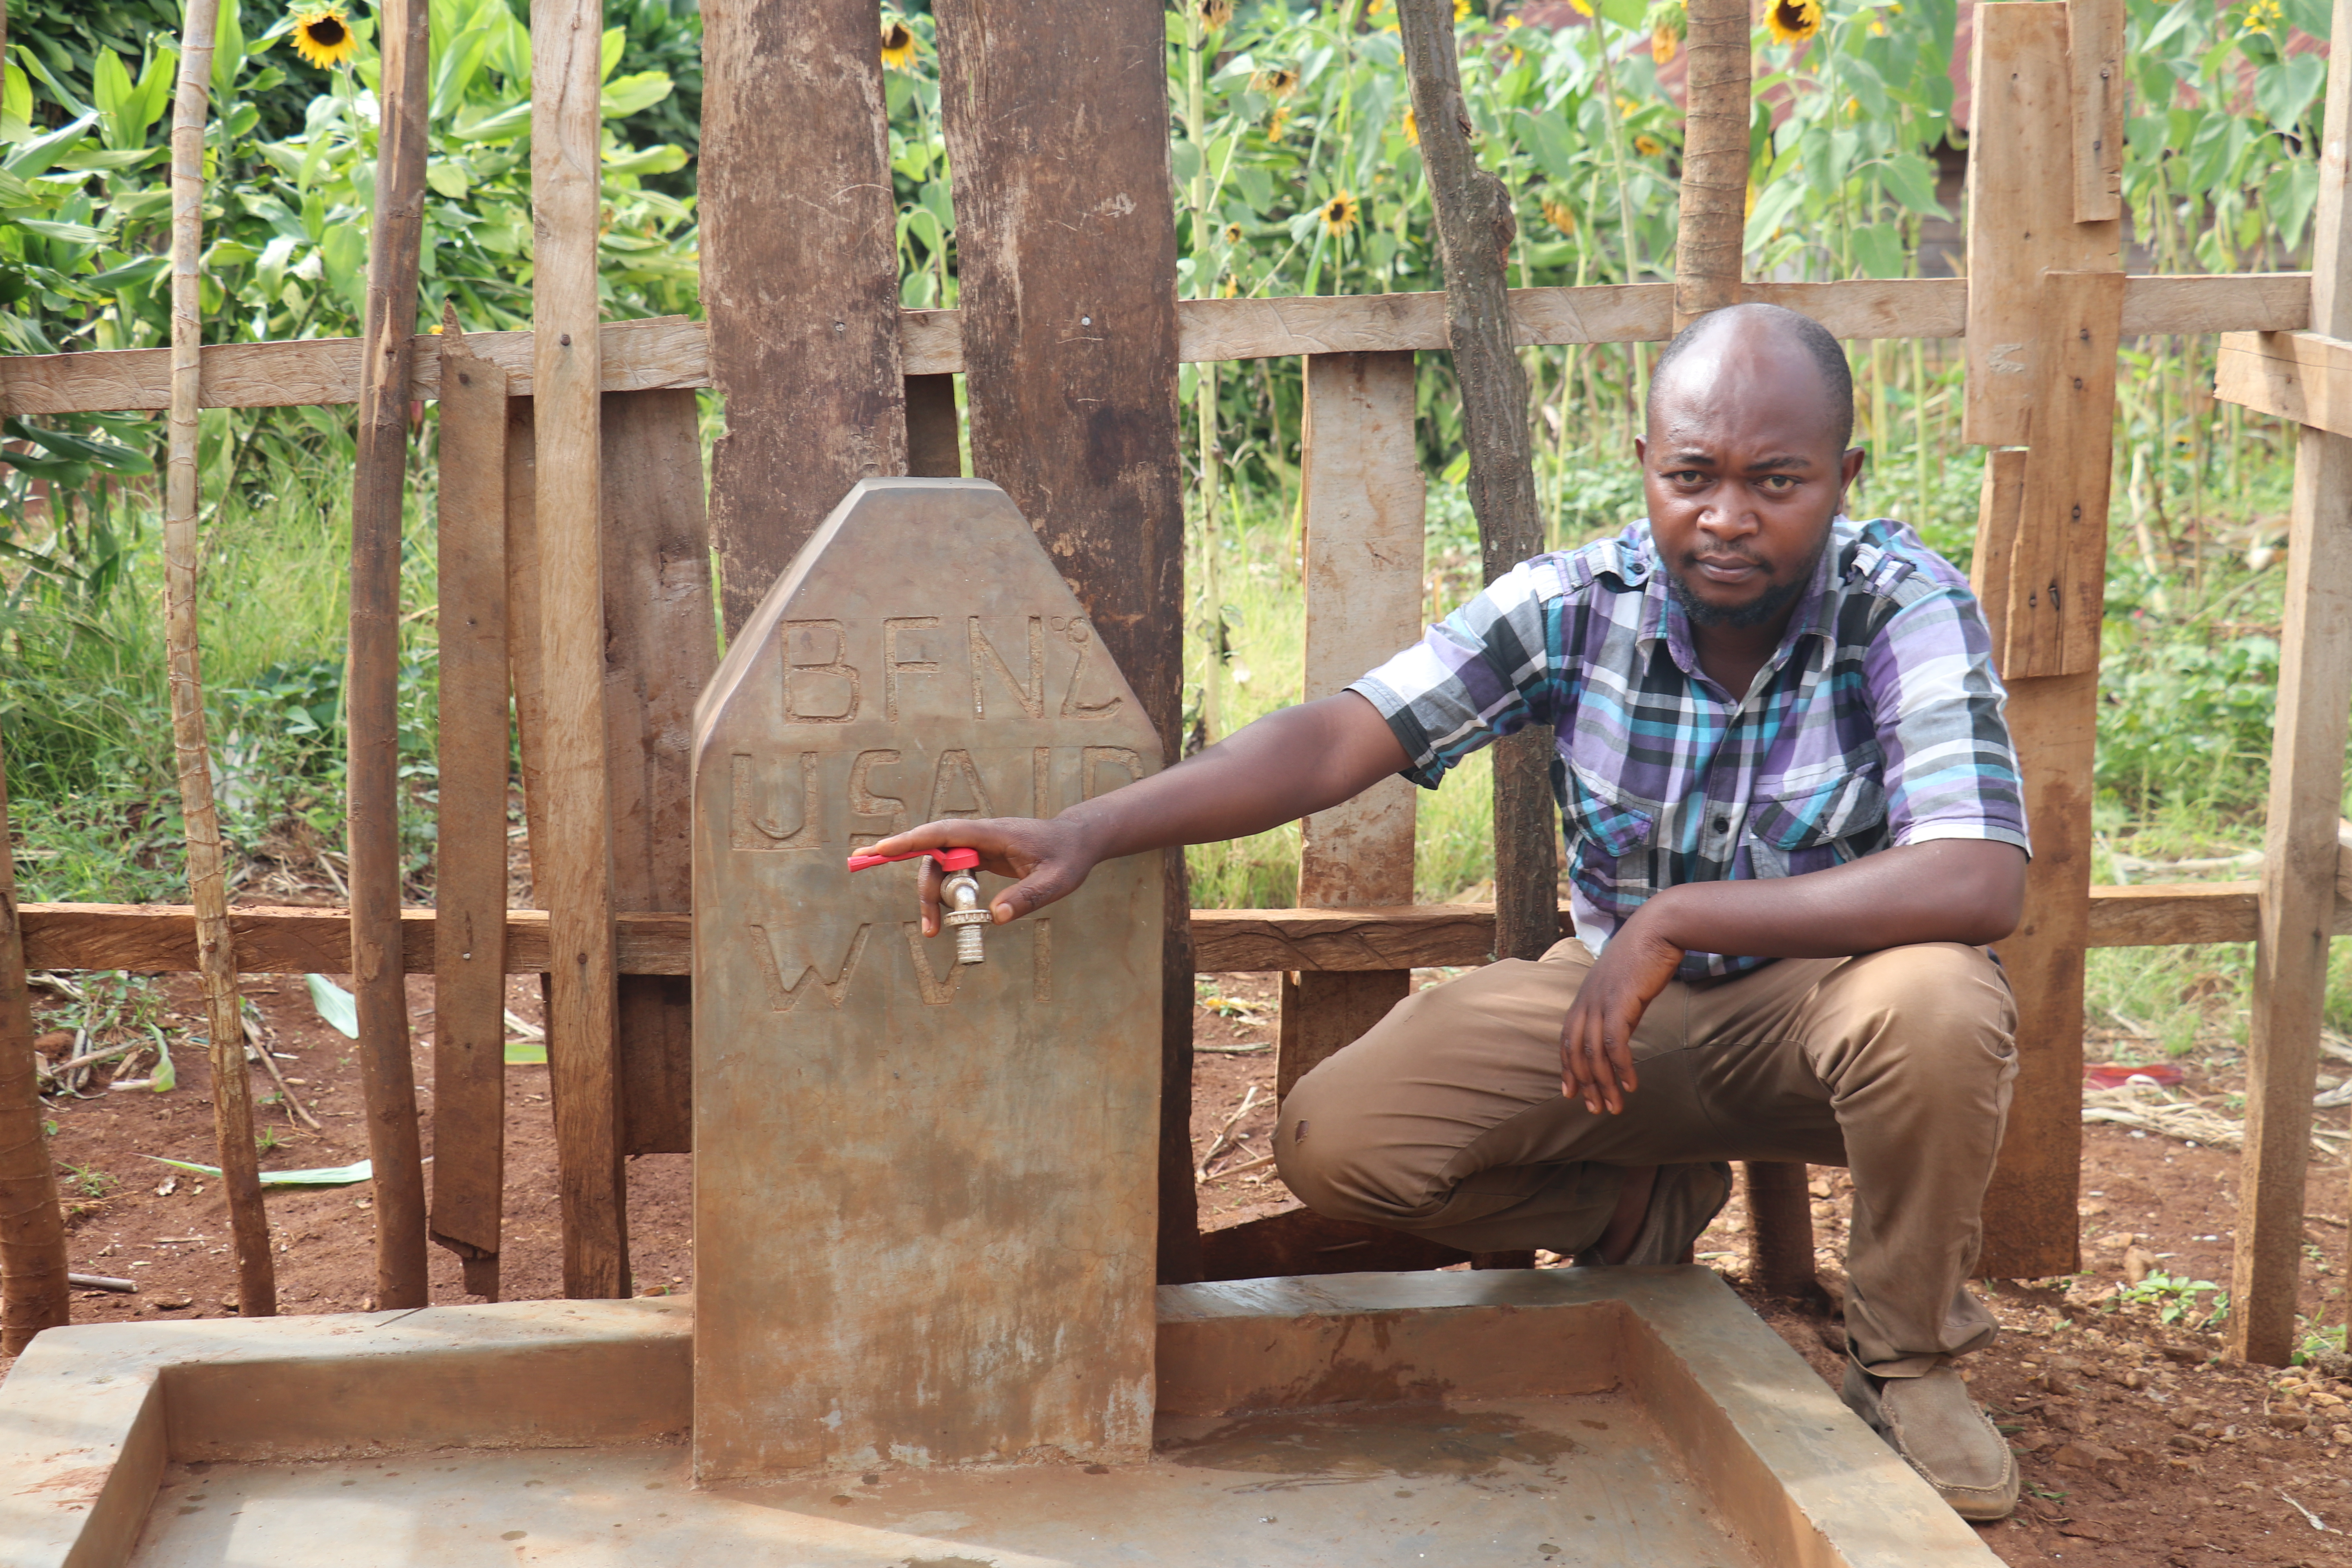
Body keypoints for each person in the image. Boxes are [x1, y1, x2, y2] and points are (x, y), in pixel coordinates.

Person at [870, 301, 2029, 1522]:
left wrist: (1676, 915)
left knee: (1939, 994)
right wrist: (1091, 830)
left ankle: (1907, 1364)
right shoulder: (1576, 604)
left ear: (1844, 478)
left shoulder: (1901, 602)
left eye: (1776, 481)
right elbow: (1336, 739)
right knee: (1340, 1141)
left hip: (1823, 1021)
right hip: (1613, 1024)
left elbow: (1976, 875)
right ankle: (1636, 1203)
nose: (1726, 517)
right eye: (1693, 476)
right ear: (1647, 466)